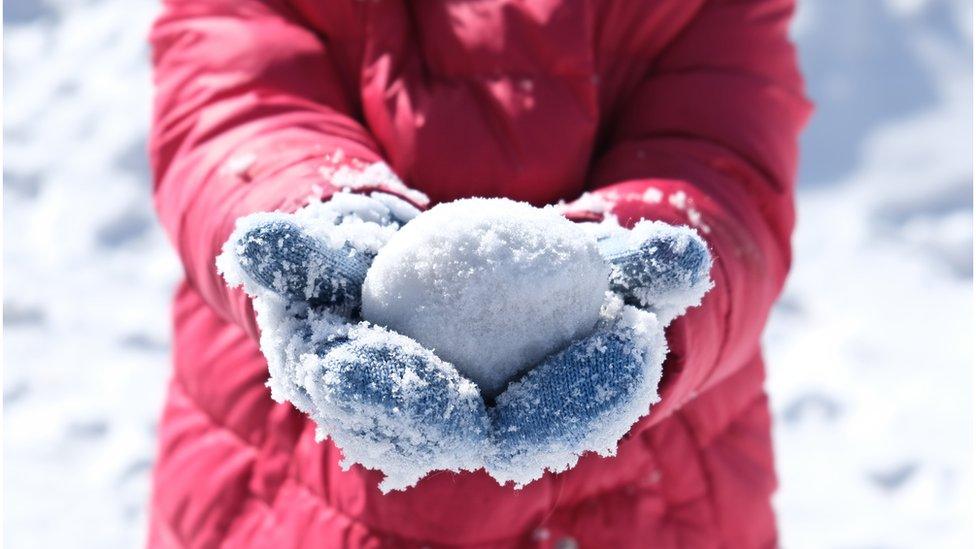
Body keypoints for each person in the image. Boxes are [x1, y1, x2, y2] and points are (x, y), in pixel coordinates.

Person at [147, 0, 810, 546]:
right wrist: (326, 212)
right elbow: (236, 103)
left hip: (648, 493)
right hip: (303, 476)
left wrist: (647, 279)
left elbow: (724, 163)